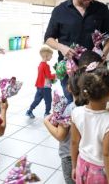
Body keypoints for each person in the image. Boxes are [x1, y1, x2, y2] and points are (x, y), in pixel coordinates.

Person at [44, 0, 109, 102]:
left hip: (95, 68)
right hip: (68, 70)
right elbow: (48, 38)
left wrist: (103, 54)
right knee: (74, 103)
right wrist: (62, 48)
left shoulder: (101, 9)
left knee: (95, 104)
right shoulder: (59, 11)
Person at [43, 50, 103, 184]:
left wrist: (46, 122)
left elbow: (61, 135)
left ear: (69, 88)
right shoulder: (92, 106)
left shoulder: (70, 110)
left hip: (70, 156)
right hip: (88, 154)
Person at [71, 67, 109, 184]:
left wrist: (74, 167)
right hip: (99, 172)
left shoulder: (76, 112)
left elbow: (74, 142)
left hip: (81, 164)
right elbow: (107, 154)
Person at [26, 45, 56, 119]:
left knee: (37, 100)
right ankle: (47, 113)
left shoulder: (40, 64)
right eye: (50, 56)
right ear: (46, 56)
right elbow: (48, 76)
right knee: (48, 100)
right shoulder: (46, 66)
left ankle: (29, 111)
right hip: (45, 87)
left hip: (39, 86)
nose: (51, 57)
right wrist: (56, 75)